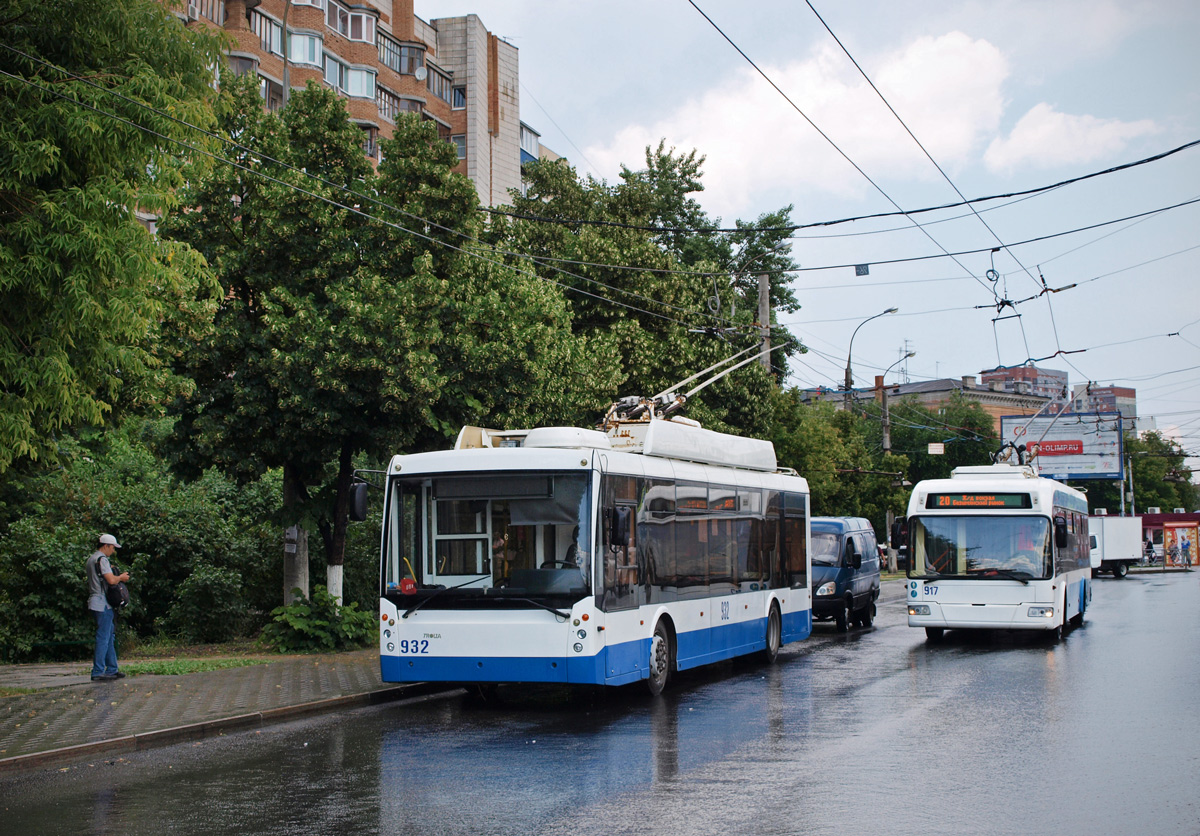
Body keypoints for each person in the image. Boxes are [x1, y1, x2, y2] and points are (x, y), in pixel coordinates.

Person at [86, 533, 130, 682]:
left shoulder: (91, 559)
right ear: (106, 546)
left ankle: (112, 669)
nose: (113, 551)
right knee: (104, 637)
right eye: (112, 548)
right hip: (102, 603)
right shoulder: (102, 559)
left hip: (95, 601)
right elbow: (111, 581)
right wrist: (121, 577)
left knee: (109, 636)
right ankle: (98, 671)